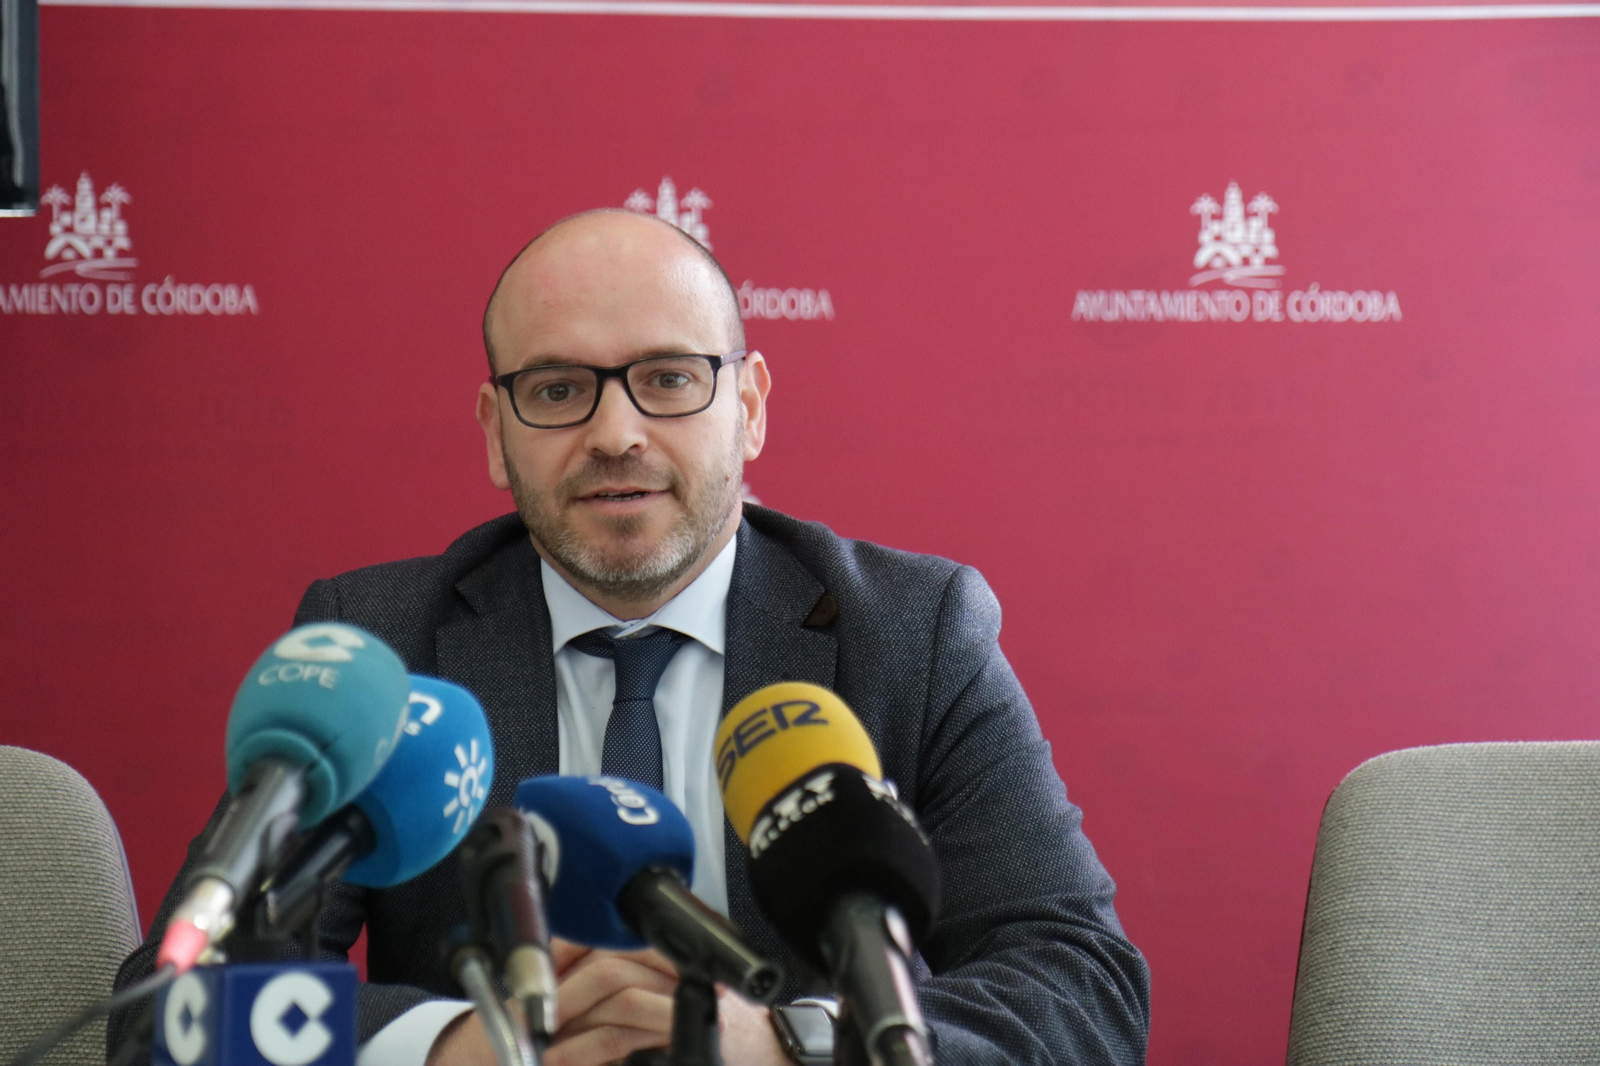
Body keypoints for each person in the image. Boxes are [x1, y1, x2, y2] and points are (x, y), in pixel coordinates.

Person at [112, 209, 1151, 1066]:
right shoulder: (380, 641)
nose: (616, 433)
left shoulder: (913, 634)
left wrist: (789, 1045)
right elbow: (169, 1008)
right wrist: (449, 1045)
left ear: (747, 407)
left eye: (667, 377)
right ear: (494, 432)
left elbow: (1079, 985)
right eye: (558, 389)